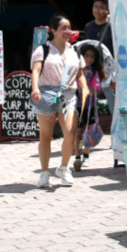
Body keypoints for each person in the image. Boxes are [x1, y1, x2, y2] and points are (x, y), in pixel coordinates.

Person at [30, 15, 85, 189]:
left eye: (69, 27)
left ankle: (63, 168)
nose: (68, 31)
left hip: (68, 95)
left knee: (70, 134)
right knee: (45, 136)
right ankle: (45, 173)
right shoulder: (43, 50)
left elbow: (80, 72)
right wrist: (35, 88)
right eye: (64, 28)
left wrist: (85, 87)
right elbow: (36, 70)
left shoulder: (74, 50)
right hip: (47, 95)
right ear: (53, 30)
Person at [74, 43, 107, 171]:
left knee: (87, 132)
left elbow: (97, 88)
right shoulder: (76, 70)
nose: (89, 59)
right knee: (78, 132)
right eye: (86, 56)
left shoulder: (94, 72)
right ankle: (77, 156)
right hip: (77, 106)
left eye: (92, 56)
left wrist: (92, 89)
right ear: (81, 56)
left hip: (90, 108)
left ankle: (86, 155)